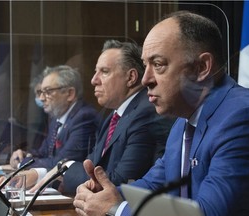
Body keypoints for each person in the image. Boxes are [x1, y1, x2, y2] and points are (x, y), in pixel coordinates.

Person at [73, 11, 249, 216]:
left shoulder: (245, 119)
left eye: (158, 64)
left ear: (202, 67)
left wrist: (115, 208)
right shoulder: (183, 120)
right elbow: (154, 185)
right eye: (145, 66)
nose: (145, 80)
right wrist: (107, 193)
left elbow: (207, 213)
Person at [18, 40, 174, 195]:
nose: (94, 80)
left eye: (104, 71)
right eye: (95, 72)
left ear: (131, 77)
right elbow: (91, 166)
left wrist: (65, 167)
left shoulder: (145, 112)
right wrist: (46, 174)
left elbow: (118, 181)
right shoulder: (113, 115)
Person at [9, 65, 99, 170]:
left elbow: (62, 163)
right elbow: (43, 153)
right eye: (40, 92)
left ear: (69, 93)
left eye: (48, 91)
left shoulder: (84, 118)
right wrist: (23, 156)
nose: (42, 98)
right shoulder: (56, 118)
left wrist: (22, 163)